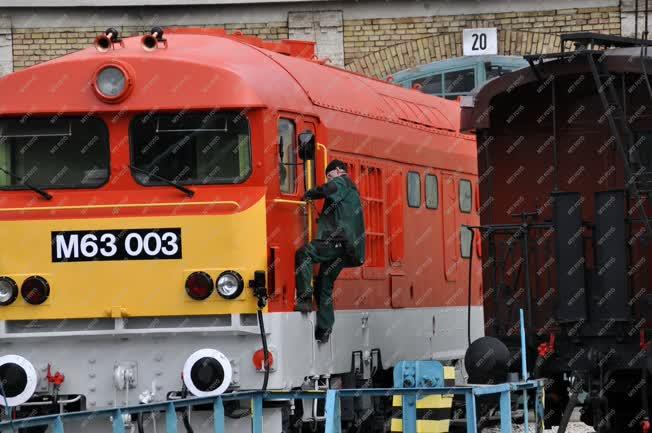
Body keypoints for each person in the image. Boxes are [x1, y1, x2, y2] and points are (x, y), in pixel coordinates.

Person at [294, 159, 365, 343]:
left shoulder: (342, 182)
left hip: (337, 241)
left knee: (304, 253)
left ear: (338, 171)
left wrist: (309, 194)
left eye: (329, 175)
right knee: (325, 281)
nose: (329, 178)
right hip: (348, 249)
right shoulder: (352, 190)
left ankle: (304, 298)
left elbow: (327, 190)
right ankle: (325, 328)